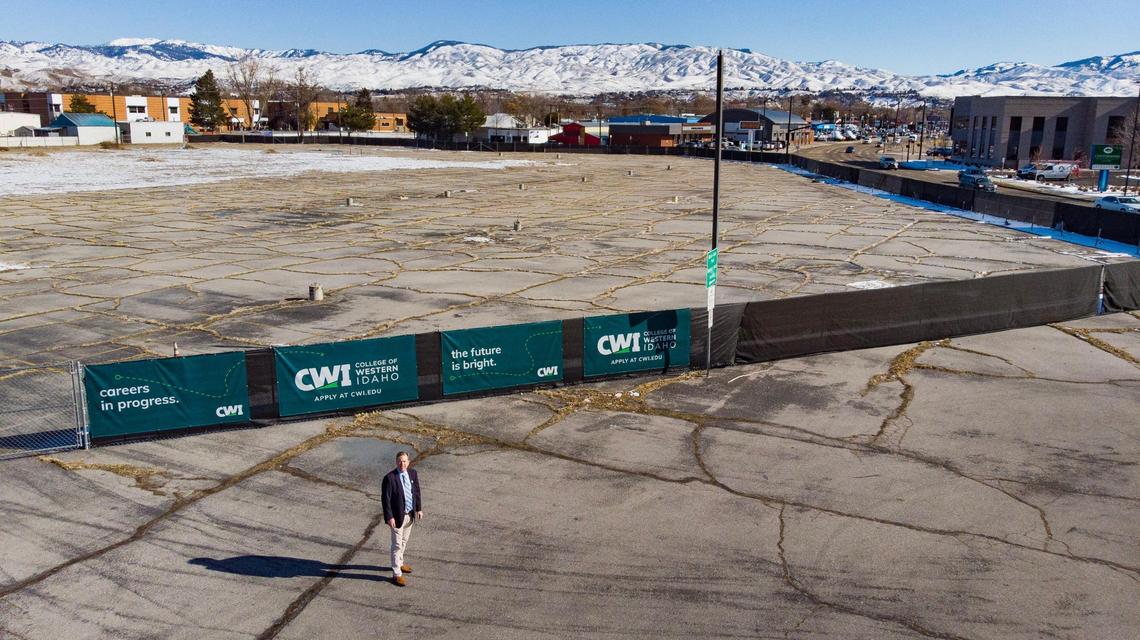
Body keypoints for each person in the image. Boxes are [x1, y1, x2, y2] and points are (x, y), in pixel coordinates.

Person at [381, 451, 423, 587]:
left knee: (404, 541)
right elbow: (385, 500)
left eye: (404, 461)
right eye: (400, 461)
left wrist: (418, 509)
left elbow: (416, 492)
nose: (402, 464)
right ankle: (397, 574)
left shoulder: (413, 474)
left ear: (408, 462)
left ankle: (400, 562)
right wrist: (389, 517)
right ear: (396, 462)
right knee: (397, 545)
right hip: (397, 517)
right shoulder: (390, 478)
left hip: (409, 515)